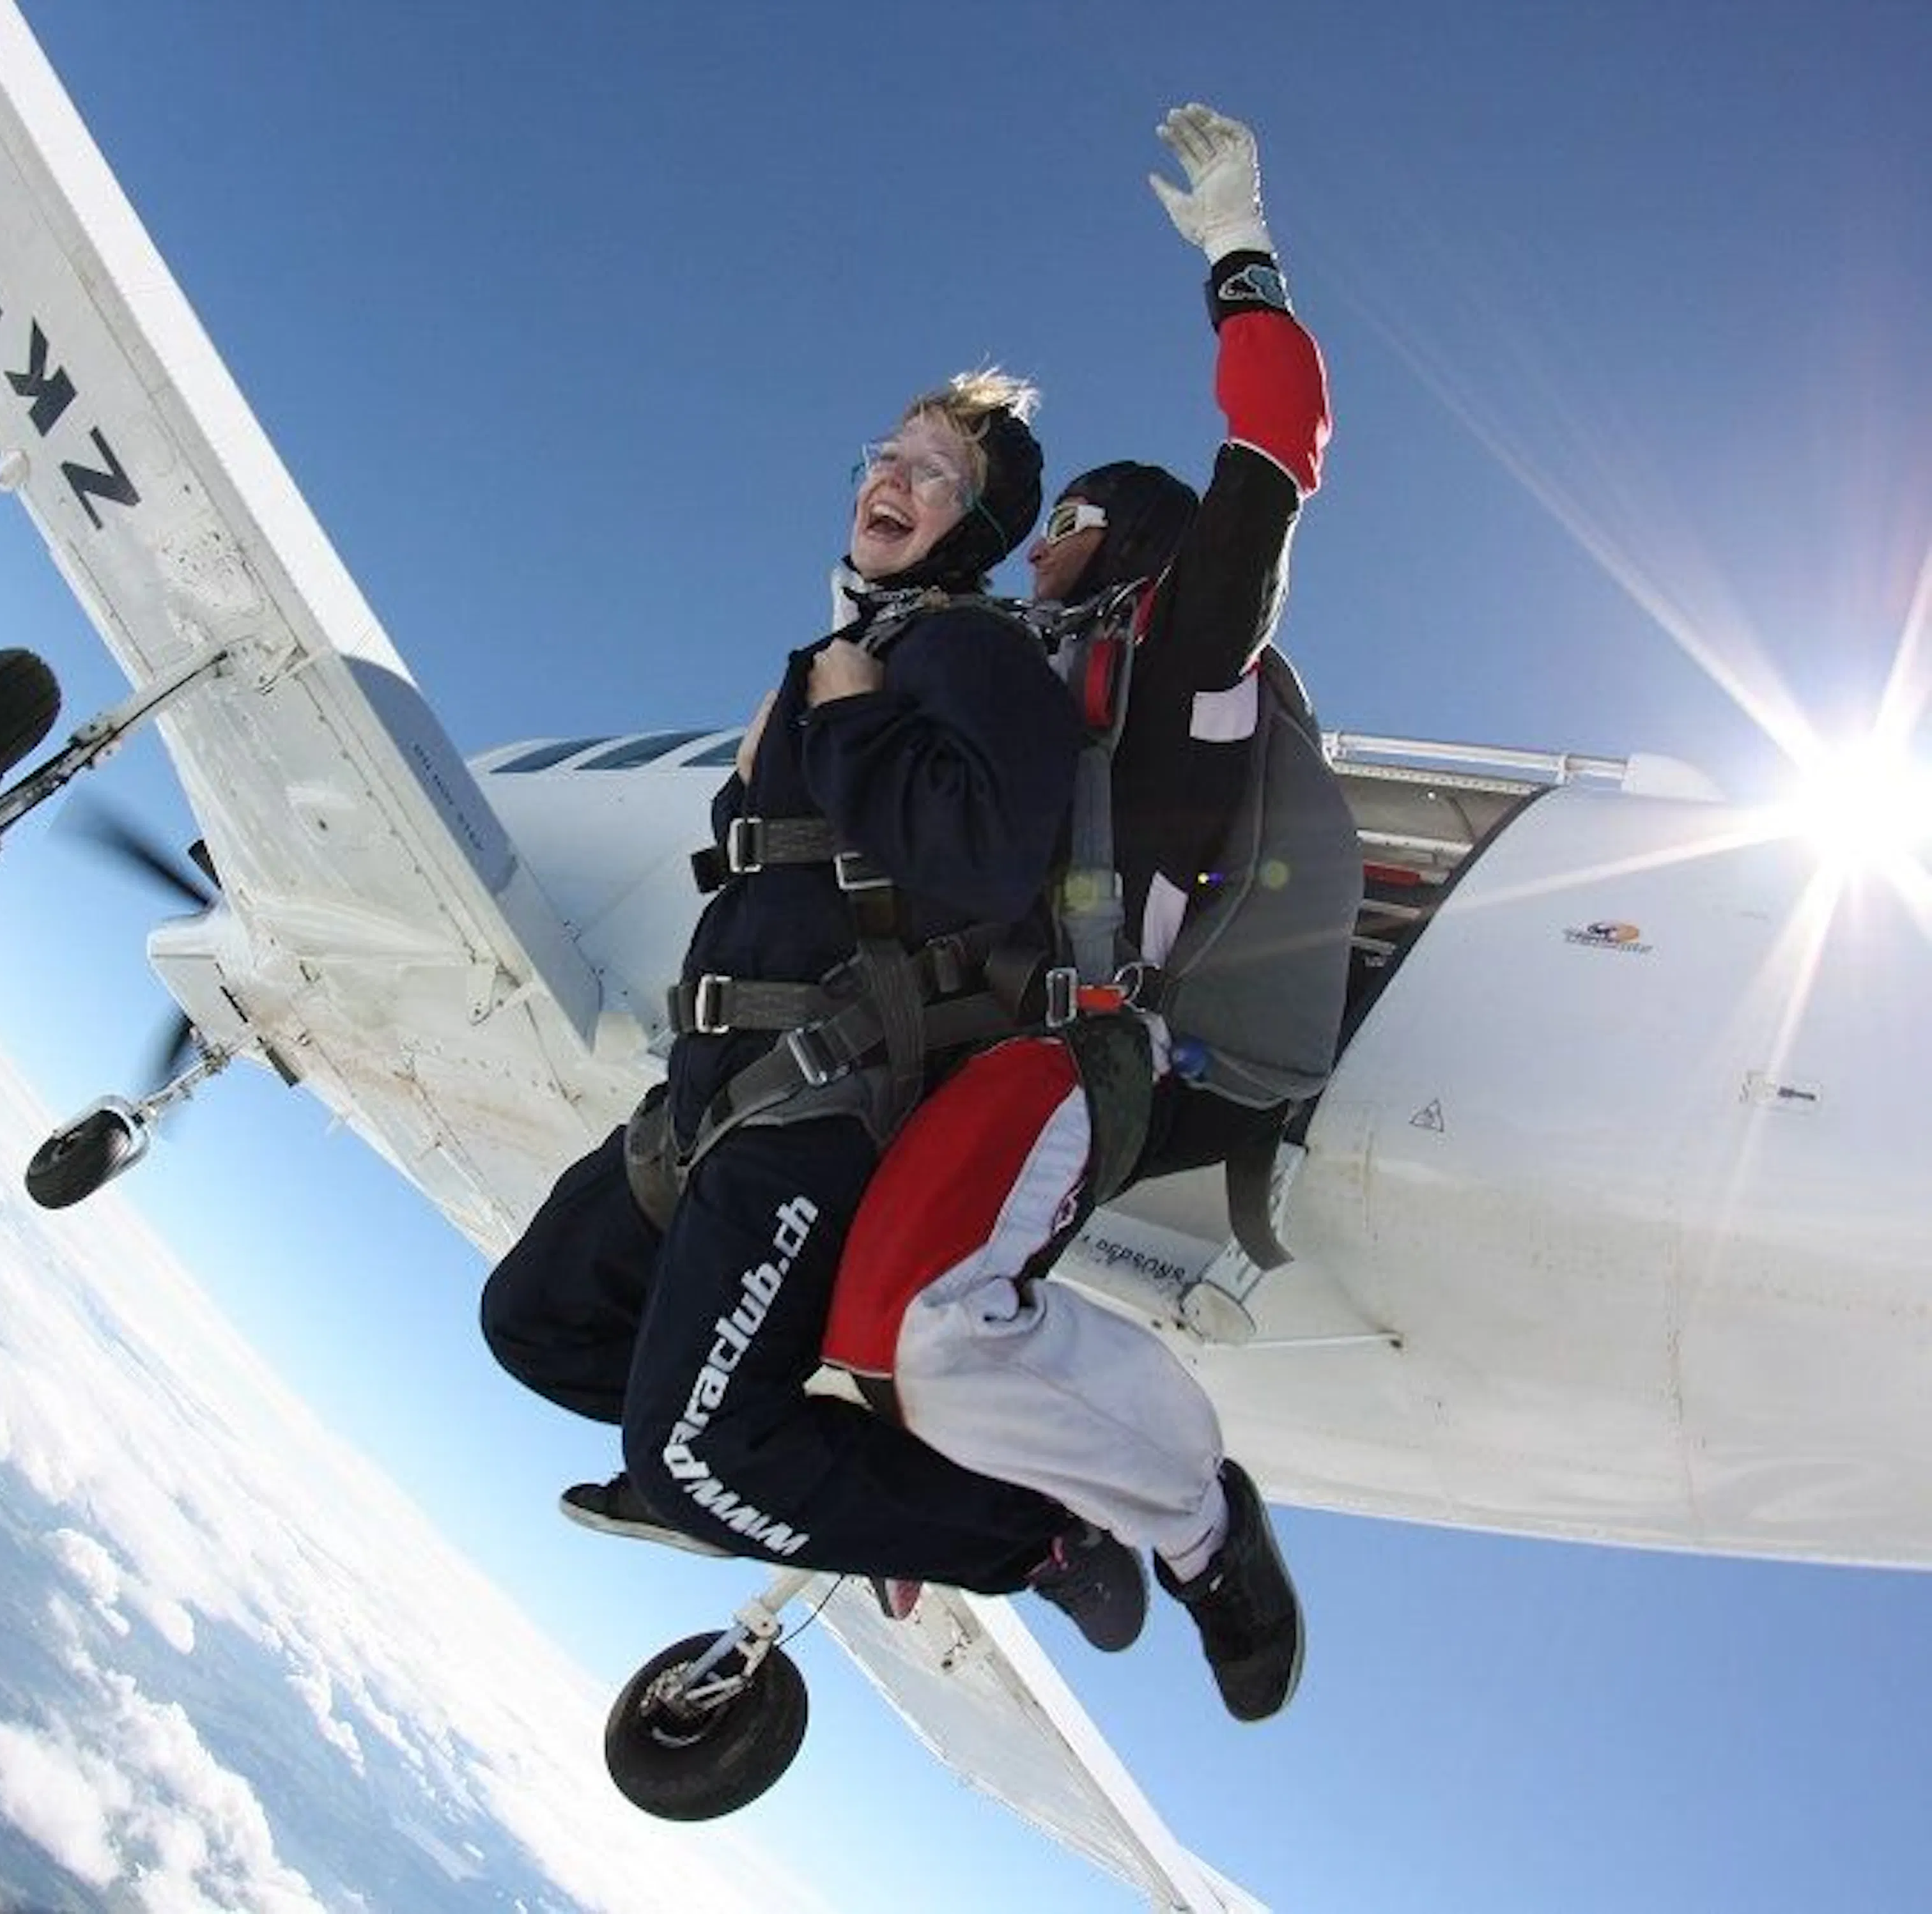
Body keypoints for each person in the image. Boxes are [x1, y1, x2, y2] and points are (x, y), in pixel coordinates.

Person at [818, 103, 1339, 1723]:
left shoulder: (1185, 667)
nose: (1041, 545)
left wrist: (1241, 257)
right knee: (796, 1275)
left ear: (1141, 551)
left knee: (935, 1330)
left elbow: (1277, 454)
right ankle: (1031, 1523)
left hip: (1072, 1049)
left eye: (1074, 522)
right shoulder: (991, 662)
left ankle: (1197, 1530)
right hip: (928, 1025)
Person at [481, 364, 1130, 1606]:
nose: (891, 476)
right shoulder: (846, 660)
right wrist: (791, 736)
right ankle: (831, 1491)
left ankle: (1039, 1539)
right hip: (705, 1092)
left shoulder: (977, 651)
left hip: (819, 1101)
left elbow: (986, 857)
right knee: (537, 1321)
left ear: (982, 529)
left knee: (688, 1457)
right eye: (885, 454)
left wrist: (843, 720)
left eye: (933, 471)